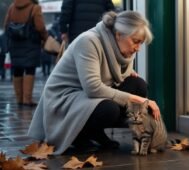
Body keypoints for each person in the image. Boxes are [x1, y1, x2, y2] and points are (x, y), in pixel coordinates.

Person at [28, 11, 161, 155]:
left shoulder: (120, 48)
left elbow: (113, 75)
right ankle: (79, 137)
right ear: (118, 34)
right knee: (109, 109)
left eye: (140, 43)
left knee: (138, 85)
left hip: (86, 96)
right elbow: (93, 87)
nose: (138, 48)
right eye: (135, 41)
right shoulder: (88, 41)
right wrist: (139, 99)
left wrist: (130, 79)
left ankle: (96, 133)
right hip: (64, 99)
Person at [4, 0, 48, 105]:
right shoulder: (34, 8)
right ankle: (27, 99)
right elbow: (40, 26)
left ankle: (19, 99)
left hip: (15, 44)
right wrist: (45, 37)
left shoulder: (12, 7)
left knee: (17, 69)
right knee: (29, 69)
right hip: (31, 43)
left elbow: (6, 25)